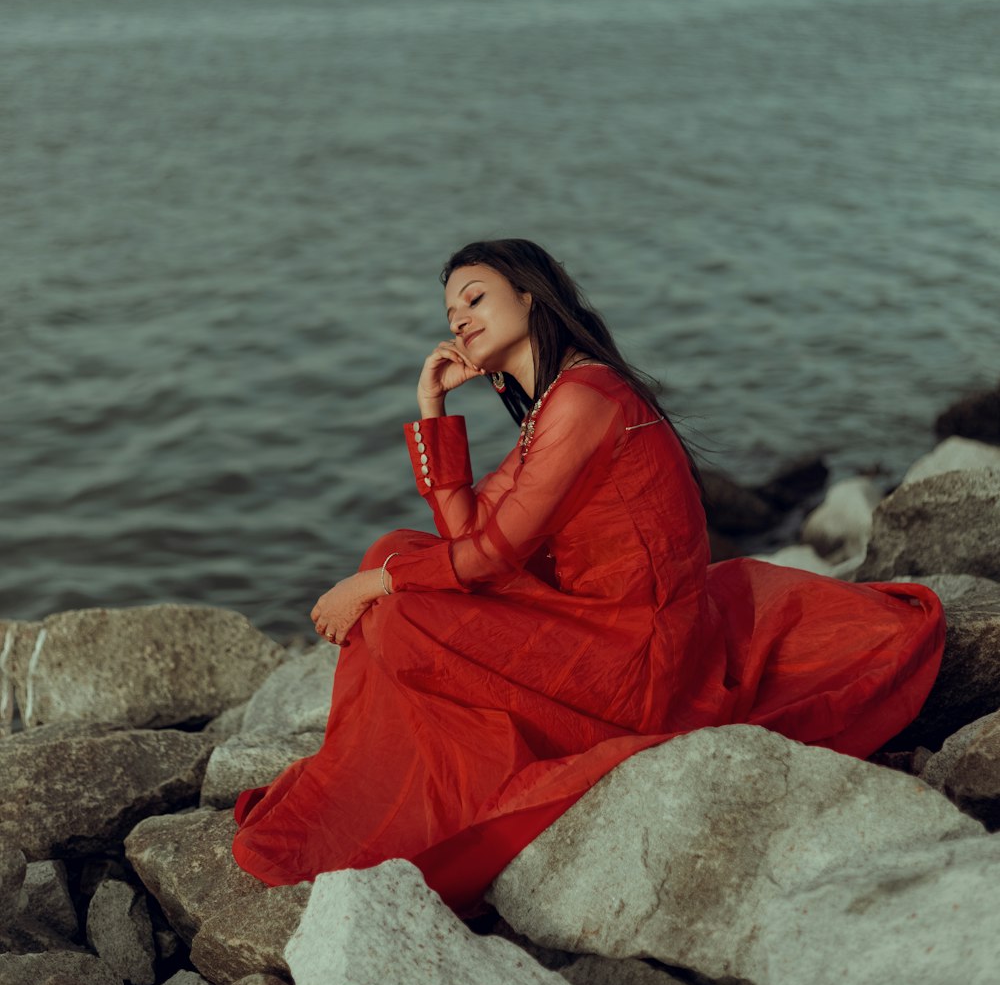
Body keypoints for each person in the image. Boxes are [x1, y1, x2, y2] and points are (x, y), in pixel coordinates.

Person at [232, 239, 945, 914]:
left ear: (531, 296)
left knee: (396, 606)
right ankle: (415, 773)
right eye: (452, 313)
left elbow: (485, 559)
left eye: (475, 299)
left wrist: (378, 585)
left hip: (633, 661)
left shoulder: (584, 399)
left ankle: (434, 789)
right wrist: (433, 411)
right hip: (594, 626)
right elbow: (469, 536)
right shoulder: (555, 406)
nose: (459, 321)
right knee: (394, 548)